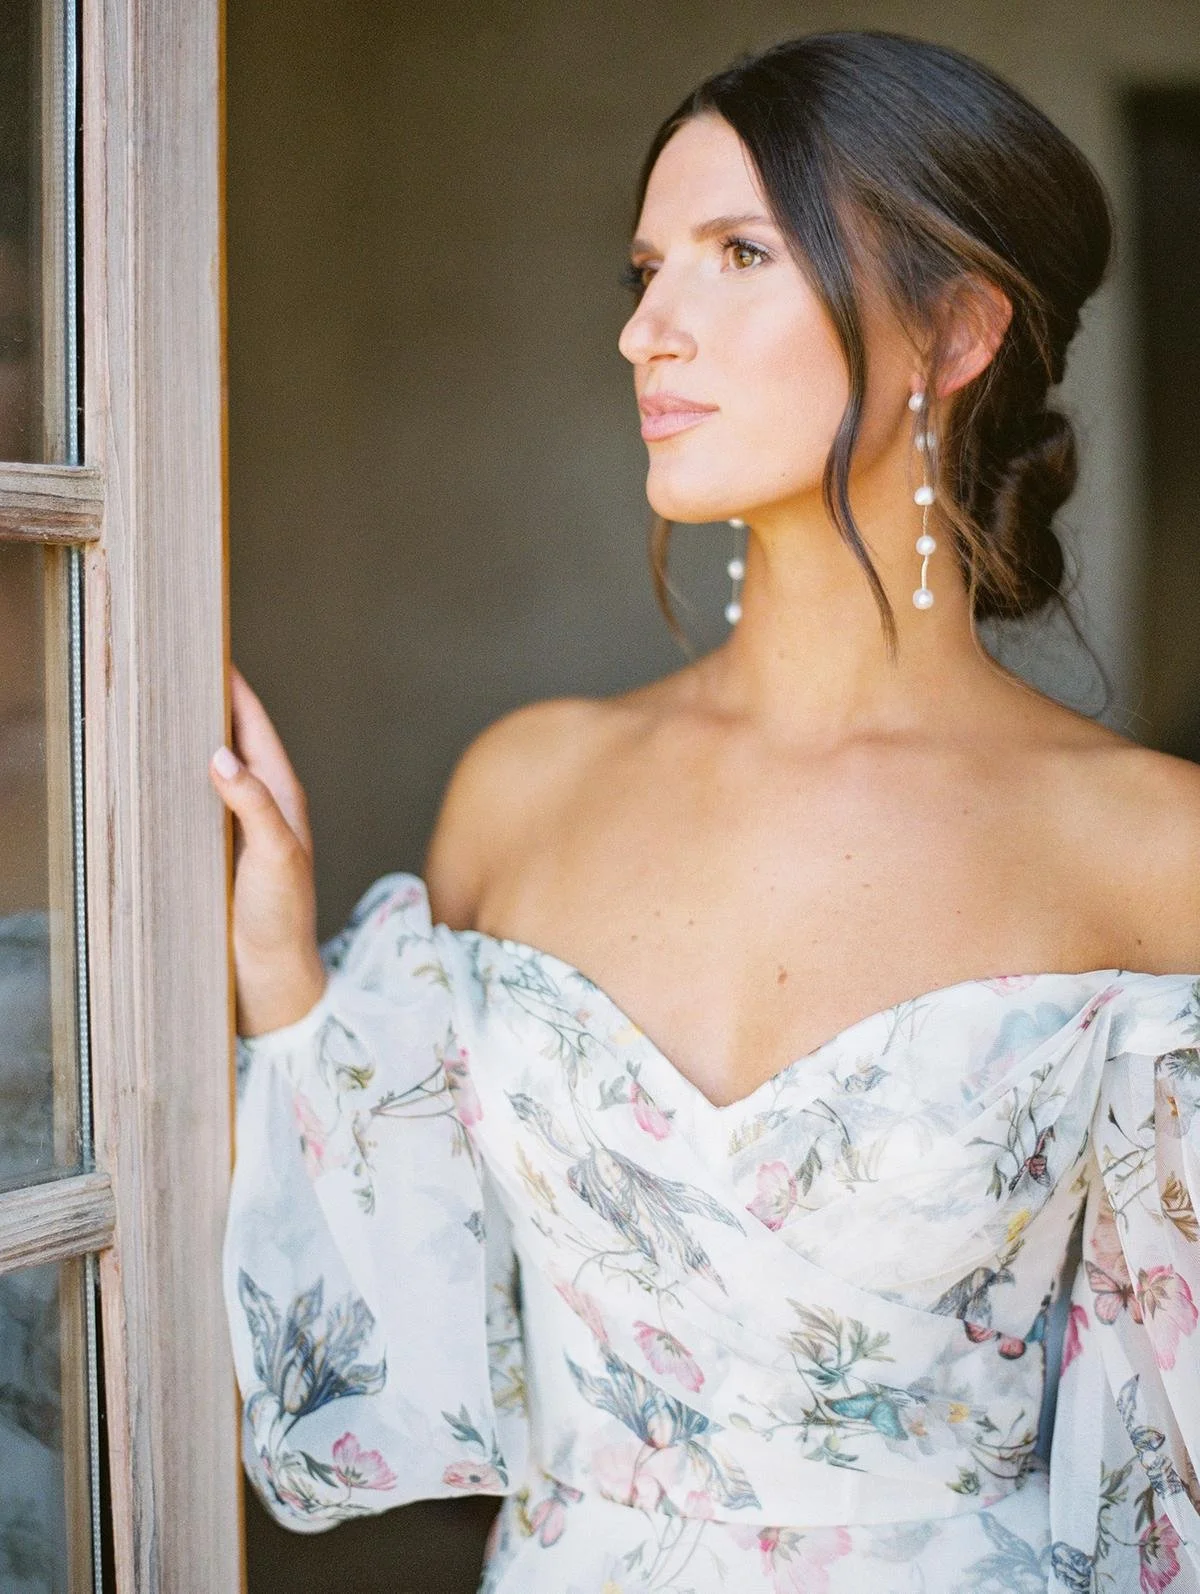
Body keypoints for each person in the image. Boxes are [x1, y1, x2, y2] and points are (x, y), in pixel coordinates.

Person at [213, 29, 1200, 1594]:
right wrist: (285, 975)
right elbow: (405, 1367)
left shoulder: (1155, 854)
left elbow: (1174, 1482)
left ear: (955, 329)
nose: (648, 333)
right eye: (643, 271)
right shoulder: (524, 788)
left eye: (737, 253)